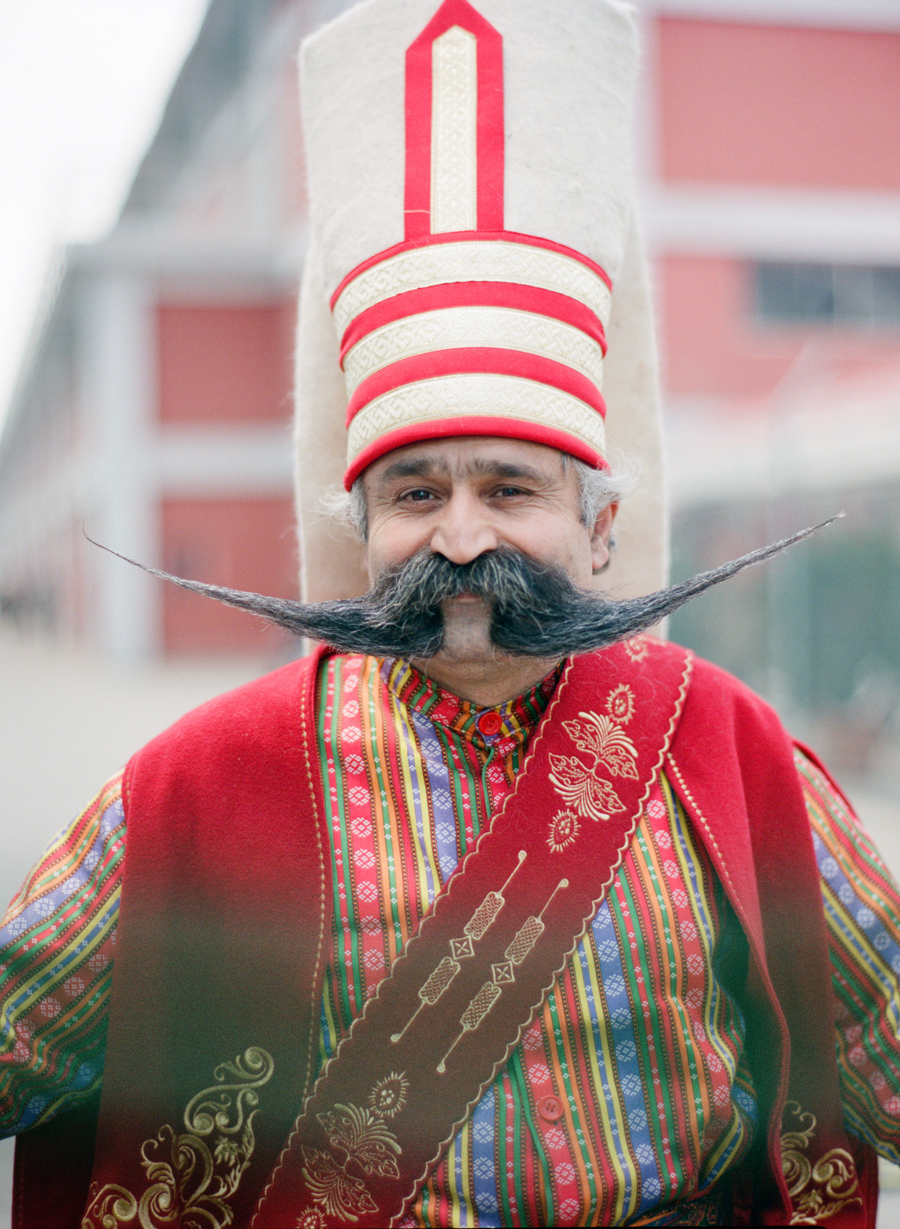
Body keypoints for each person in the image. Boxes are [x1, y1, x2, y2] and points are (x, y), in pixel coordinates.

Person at [3, 1, 900, 1226]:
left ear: (597, 523)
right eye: (414, 492)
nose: (461, 535)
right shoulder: (197, 784)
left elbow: (884, 1036)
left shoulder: (732, 752)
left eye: (511, 489)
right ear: (360, 527)